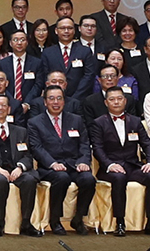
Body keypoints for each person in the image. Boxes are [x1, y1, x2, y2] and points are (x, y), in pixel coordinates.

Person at [93, 87, 150, 237]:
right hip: (110, 168)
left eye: (119, 98)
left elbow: (147, 144)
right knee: (119, 178)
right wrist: (110, 165)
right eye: (112, 99)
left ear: (125, 101)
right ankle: (120, 223)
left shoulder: (135, 121)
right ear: (106, 103)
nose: (116, 102)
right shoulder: (99, 123)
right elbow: (97, 148)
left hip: (132, 165)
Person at [28, 85, 96, 235]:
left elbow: (84, 144)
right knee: (61, 178)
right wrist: (52, 163)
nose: (55, 102)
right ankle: (55, 220)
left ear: (64, 101)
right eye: (51, 98)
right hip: (49, 167)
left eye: (59, 98)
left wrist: (84, 161)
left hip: (74, 164)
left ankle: (78, 218)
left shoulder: (76, 120)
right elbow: (37, 148)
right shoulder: (35, 122)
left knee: (89, 179)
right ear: (45, 102)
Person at [0, 94, 39, 237]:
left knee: (29, 180)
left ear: (9, 109)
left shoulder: (21, 131)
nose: (0, 108)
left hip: (16, 170)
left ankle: (26, 223)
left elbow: (28, 156)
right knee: (0, 180)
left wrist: (20, 167)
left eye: (3, 105)